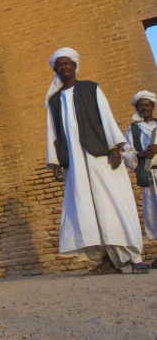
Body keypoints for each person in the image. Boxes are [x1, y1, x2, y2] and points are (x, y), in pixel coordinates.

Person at [45, 47, 147, 274]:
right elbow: (53, 133)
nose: (63, 67)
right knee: (87, 208)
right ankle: (108, 260)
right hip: (75, 163)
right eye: (59, 65)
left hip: (100, 155)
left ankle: (132, 257)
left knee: (111, 202)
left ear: (74, 66)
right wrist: (56, 162)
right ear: (56, 69)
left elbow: (106, 117)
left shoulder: (91, 88)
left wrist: (114, 148)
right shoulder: (53, 101)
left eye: (67, 63)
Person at [123, 90, 157, 268]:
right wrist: (142, 154)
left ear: (153, 107)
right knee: (154, 214)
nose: (144, 108)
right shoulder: (133, 128)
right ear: (137, 108)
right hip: (148, 175)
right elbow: (127, 152)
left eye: (147, 105)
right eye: (141, 105)